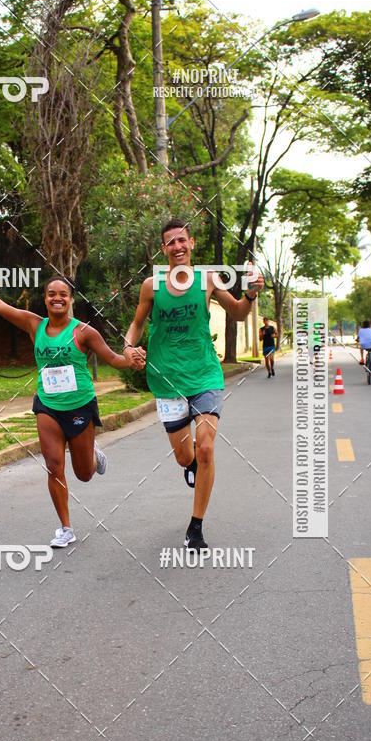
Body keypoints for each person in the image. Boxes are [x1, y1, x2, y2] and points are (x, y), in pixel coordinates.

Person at [0, 273, 144, 547]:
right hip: (47, 405)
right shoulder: (34, 325)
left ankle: (93, 456)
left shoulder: (84, 332)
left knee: (84, 473)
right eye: (51, 294)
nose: (57, 298)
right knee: (54, 467)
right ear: (45, 299)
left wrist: (130, 360)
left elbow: (113, 359)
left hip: (80, 405)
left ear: (71, 300)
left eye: (63, 294)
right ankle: (65, 528)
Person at [122, 218, 264, 552]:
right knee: (185, 455)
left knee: (206, 447)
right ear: (164, 249)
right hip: (167, 378)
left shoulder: (208, 279)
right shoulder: (151, 286)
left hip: (204, 375)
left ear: (192, 243)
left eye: (182, 240)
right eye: (170, 242)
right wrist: (129, 347)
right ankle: (193, 469)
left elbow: (240, 313)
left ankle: (196, 527)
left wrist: (251, 294)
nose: (177, 246)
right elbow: (137, 324)